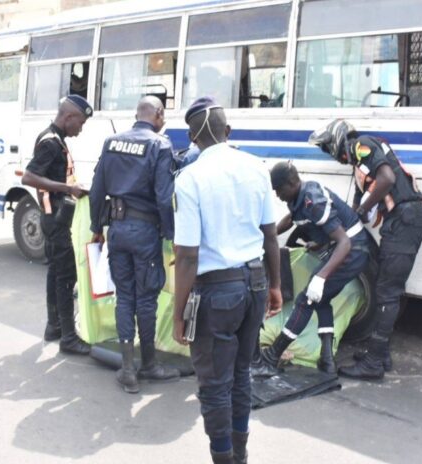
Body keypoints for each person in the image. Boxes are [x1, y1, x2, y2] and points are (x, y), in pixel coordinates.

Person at [172, 97, 282, 464]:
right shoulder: (257, 168)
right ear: (228, 132)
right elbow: (270, 236)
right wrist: (277, 286)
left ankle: (223, 457)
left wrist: (177, 315)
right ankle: (240, 454)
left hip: (216, 293)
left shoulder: (189, 178)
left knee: (214, 385)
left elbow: (186, 256)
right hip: (255, 285)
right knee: (240, 373)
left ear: (191, 138)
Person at [309, 119, 422, 380]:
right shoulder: (361, 168)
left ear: (338, 140)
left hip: (405, 220)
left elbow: (386, 179)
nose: (331, 155)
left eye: (328, 148)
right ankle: (380, 353)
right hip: (401, 222)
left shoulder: (361, 145)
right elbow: (357, 214)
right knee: (387, 288)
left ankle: (374, 362)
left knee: (387, 292)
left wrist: (362, 209)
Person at [89, 96, 179, 394]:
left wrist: (96, 228)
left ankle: (128, 369)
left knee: (125, 296)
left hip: (116, 230)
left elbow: (97, 190)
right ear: (159, 114)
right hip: (144, 232)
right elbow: (165, 197)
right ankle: (150, 364)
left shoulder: (111, 142)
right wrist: (171, 234)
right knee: (146, 298)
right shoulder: (159, 145)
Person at [251, 161, 369, 378]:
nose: (277, 195)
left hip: (352, 250)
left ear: (291, 183)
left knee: (306, 300)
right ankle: (326, 360)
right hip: (347, 249)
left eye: (278, 190)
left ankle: (272, 356)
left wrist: (321, 277)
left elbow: (344, 242)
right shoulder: (299, 197)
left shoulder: (312, 201)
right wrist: (268, 236)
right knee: (320, 300)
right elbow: (292, 219)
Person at [21, 95, 93, 355]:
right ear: (69, 117)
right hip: (55, 218)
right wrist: (68, 188)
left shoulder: (54, 138)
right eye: (81, 123)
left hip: (55, 216)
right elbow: (29, 177)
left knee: (55, 273)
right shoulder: (51, 143)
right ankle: (69, 338)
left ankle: (54, 326)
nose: (80, 129)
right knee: (66, 276)